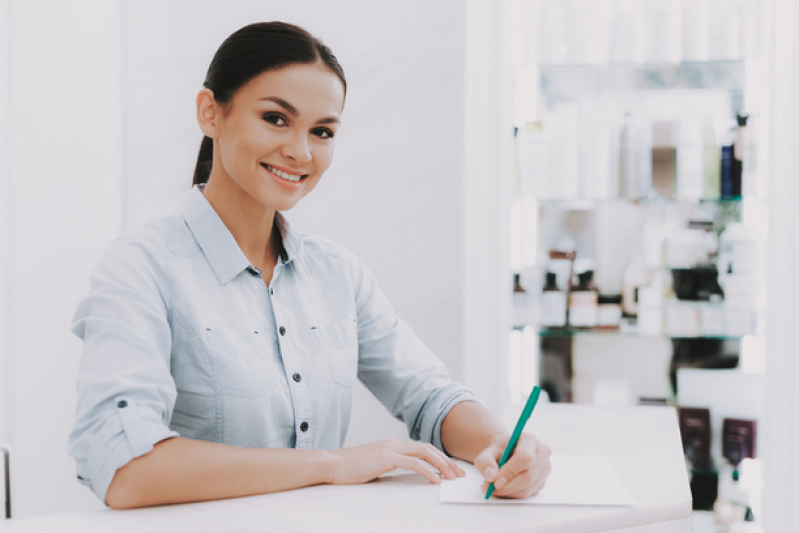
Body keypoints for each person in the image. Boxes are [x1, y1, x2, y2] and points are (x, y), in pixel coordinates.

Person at [68, 21, 551, 510]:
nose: (300, 151)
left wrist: (500, 443)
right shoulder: (140, 269)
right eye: (276, 119)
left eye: (322, 131)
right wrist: (332, 465)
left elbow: (430, 396)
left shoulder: (336, 274)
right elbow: (124, 468)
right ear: (210, 112)